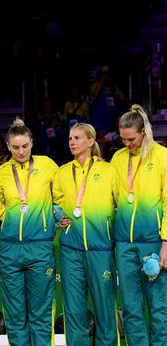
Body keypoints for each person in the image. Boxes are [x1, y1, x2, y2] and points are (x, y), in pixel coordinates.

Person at [52, 123, 120, 345]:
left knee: (105, 308)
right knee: (73, 309)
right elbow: (55, 204)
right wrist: (58, 216)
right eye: (70, 138)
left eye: (78, 138)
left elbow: (123, 203)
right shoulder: (61, 173)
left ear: (91, 142)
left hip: (100, 248)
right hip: (71, 249)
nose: (72, 142)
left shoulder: (108, 171)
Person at [0, 119, 59, 346]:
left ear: (32, 143)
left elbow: (61, 194)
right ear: (8, 146)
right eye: (15, 147)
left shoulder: (48, 165)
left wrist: (57, 213)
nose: (20, 151)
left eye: (25, 146)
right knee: (14, 312)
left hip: (40, 246)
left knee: (40, 310)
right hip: (10, 247)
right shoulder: (2, 171)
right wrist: (10, 218)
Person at [112, 105, 167, 345]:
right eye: (123, 139)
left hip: (153, 242)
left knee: (158, 306)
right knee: (131, 308)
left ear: (144, 132)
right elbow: (108, 197)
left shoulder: (162, 156)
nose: (127, 144)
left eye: (131, 139)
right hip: (125, 243)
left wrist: (166, 243)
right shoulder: (118, 158)